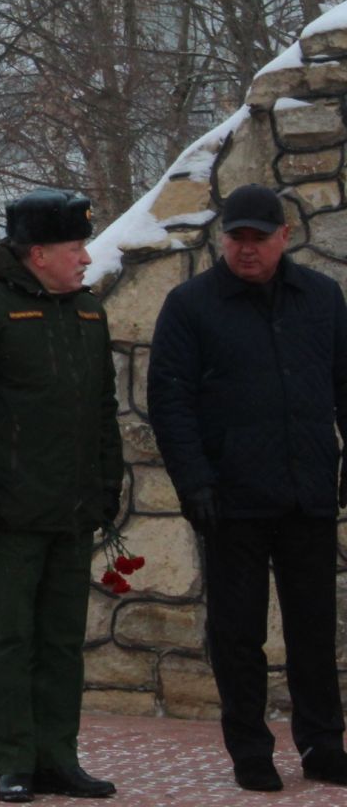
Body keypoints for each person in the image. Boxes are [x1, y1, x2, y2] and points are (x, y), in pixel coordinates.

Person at [0, 189, 123, 803]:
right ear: (38, 253)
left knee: (62, 640)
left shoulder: (87, 312)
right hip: (6, 510)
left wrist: (107, 484)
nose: (86, 258)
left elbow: (102, 409)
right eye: (74, 247)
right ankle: (14, 761)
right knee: (12, 639)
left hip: (71, 508)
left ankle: (58, 756)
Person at [148, 183, 347, 794]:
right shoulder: (190, 305)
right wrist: (195, 483)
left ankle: (323, 743)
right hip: (230, 501)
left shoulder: (322, 298)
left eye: (260, 237)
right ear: (222, 238)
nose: (248, 249)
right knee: (238, 633)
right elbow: (170, 403)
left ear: (285, 237)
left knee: (314, 626)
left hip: (307, 492)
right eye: (237, 237)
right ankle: (251, 748)